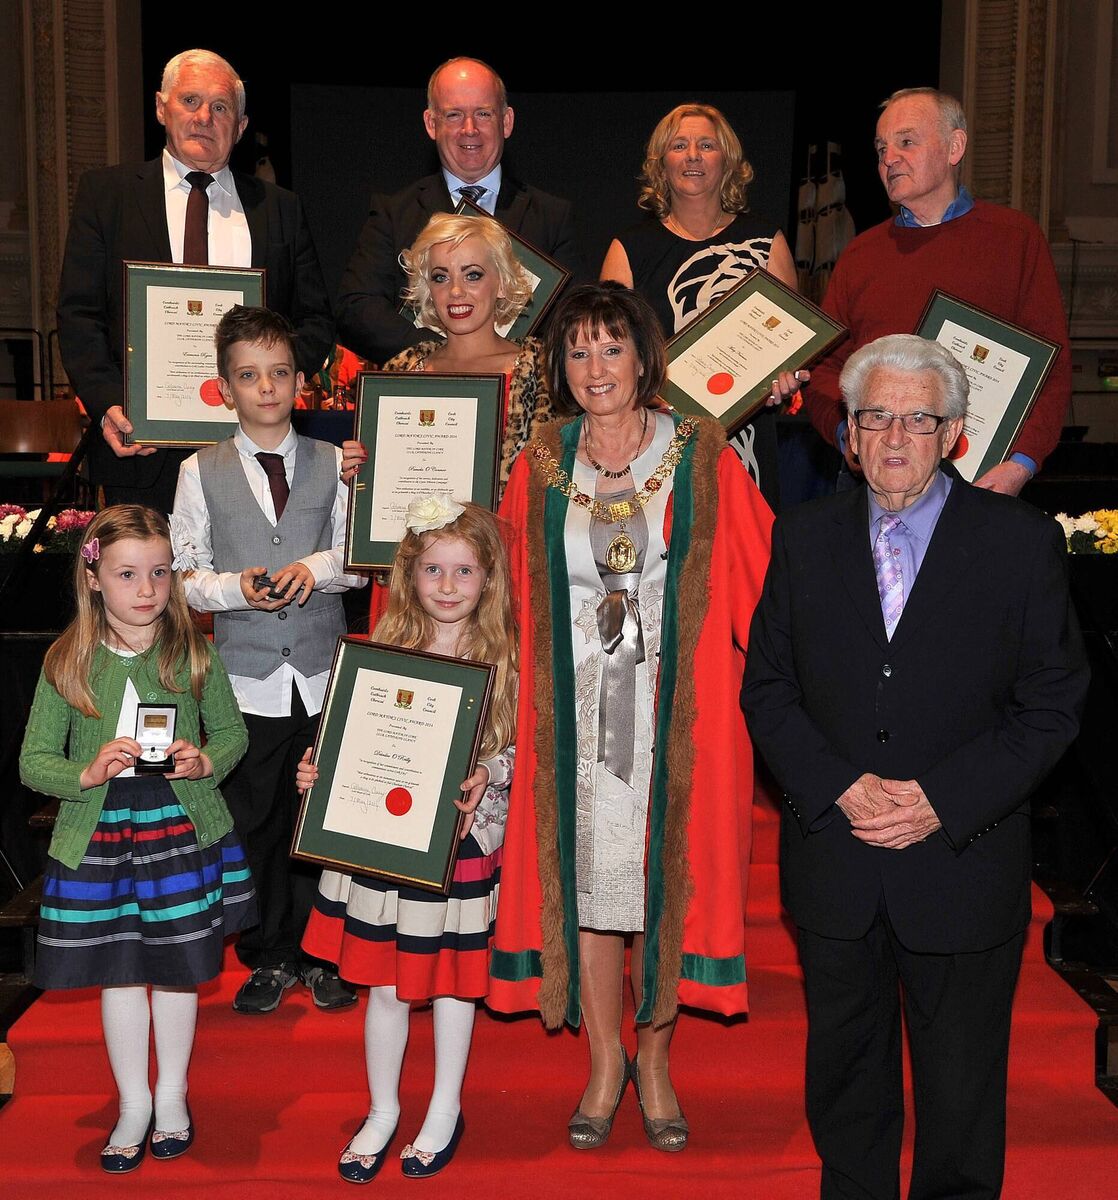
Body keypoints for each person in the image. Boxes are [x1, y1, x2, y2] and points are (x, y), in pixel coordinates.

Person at [743, 334, 1088, 1199]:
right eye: (876, 418)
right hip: (837, 858)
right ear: (848, 436)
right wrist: (837, 785)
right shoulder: (804, 537)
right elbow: (769, 691)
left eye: (918, 419)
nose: (895, 436)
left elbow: (1052, 705)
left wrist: (942, 800)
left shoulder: (1020, 543)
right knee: (847, 1090)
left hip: (963, 861)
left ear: (955, 433)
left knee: (963, 1097)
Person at [489, 282, 773, 1152]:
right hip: (570, 716)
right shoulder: (539, 459)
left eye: (611, 348)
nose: (594, 367)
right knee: (590, 883)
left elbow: (762, 585)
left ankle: (656, 1056)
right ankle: (605, 1058)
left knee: (662, 882)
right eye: (577, 351)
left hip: (675, 714)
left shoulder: (703, 453)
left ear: (645, 357)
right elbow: (505, 593)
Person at [19, 505, 254, 1172]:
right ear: (94, 578)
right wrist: (86, 771)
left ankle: (173, 1096)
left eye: (158, 573)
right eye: (127, 574)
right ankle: (133, 1103)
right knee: (118, 976)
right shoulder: (67, 661)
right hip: (97, 835)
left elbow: (232, 735)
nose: (146, 589)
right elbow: (34, 761)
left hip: (178, 830)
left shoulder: (194, 653)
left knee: (177, 973)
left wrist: (205, 761)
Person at [298, 498, 518, 1182]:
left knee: (454, 985)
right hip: (383, 851)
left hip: (460, 846)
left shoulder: (506, 655)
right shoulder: (380, 653)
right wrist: (318, 770)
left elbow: (522, 751)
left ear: (488, 579)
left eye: (464, 571)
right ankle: (384, 1108)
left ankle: (445, 1106)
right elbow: (349, 741)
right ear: (408, 575)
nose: (448, 586)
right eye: (433, 570)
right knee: (386, 986)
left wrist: (489, 771)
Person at [171, 306, 366, 1015]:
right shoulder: (200, 470)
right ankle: (268, 955)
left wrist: (316, 569)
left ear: (301, 382)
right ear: (224, 388)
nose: (266, 387)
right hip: (246, 681)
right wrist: (234, 588)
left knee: (320, 817)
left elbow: (360, 558)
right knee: (254, 817)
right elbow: (184, 571)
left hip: (322, 673)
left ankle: (322, 954)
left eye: (279, 373)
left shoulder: (332, 461)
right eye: (249, 376)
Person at [57, 48, 334, 512]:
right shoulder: (108, 195)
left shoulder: (280, 208)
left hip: (257, 454)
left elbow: (315, 319)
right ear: (161, 107)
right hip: (142, 452)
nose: (204, 117)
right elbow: (79, 314)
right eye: (190, 100)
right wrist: (109, 405)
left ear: (241, 127)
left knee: (252, 585)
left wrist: (273, 387)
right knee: (149, 587)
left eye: (220, 107)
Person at [800, 87, 1071, 497]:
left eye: (906, 142)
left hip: (981, 483)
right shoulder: (860, 254)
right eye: (880, 148)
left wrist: (1022, 463)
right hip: (871, 487)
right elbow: (822, 370)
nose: (889, 158)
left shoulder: (1016, 240)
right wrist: (846, 436)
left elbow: (1051, 370)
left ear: (954, 147)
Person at [600, 103, 799, 505]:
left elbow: (792, 351)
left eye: (706, 145)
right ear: (661, 164)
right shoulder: (628, 251)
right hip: (650, 443)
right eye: (679, 145)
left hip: (747, 445)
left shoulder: (766, 242)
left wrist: (785, 382)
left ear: (727, 160)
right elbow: (608, 361)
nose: (693, 155)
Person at [336, 56, 581, 365]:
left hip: (521, 396)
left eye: (483, 113)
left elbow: (575, 318)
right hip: (426, 390)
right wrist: (446, 356)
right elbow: (357, 308)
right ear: (431, 123)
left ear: (506, 121)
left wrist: (514, 363)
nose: (470, 129)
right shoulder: (394, 213)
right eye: (453, 115)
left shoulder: (551, 217)